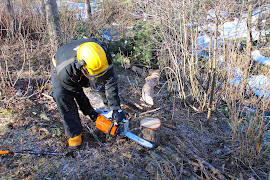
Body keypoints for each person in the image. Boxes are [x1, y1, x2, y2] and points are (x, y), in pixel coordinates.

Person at [51, 38, 125, 149]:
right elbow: (77, 93)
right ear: (83, 68)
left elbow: (110, 80)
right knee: (61, 95)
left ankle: (109, 112)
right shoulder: (65, 71)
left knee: (101, 80)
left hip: (89, 66)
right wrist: (90, 112)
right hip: (61, 65)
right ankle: (74, 133)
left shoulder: (102, 53)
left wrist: (115, 108)